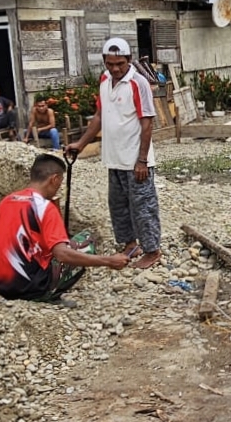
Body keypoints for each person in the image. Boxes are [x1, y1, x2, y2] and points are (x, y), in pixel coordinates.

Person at [66, 37, 163, 270]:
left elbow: (147, 123)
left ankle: (152, 250)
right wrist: (80, 143)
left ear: (129, 60)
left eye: (120, 63)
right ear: (104, 61)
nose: (115, 68)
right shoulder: (104, 80)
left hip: (135, 159)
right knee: (118, 205)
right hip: (114, 157)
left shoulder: (137, 83)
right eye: (110, 64)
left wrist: (142, 160)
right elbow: (100, 116)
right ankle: (130, 244)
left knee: (143, 205)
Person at [0, 154, 129, 301]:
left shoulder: (7, 201)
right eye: (60, 184)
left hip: (2, 286)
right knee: (87, 239)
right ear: (54, 179)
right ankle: (49, 295)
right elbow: (62, 254)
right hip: (32, 289)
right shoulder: (45, 207)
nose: (58, 189)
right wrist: (108, 261)